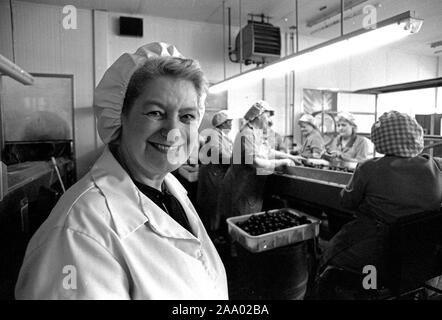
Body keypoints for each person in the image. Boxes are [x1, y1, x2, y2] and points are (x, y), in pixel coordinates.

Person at [15, 42, 228, 300]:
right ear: (119, 117)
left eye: (187, 117)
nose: (173, 132)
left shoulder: (168, 188)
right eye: (155, 113)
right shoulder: (79, 234)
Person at [317, 111, 442, 296]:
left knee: (329, 254)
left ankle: (369, 289)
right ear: (417, 136)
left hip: (377, 252)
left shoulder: (368, 168)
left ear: (379, 139)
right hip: (423, 255)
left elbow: (346, 202)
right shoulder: (437, 165)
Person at [216, 101, 301, 230]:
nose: (270, 120)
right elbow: (256, 162)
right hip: (242, 185)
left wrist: (290, 156)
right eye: (268, 115)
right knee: (242, 223)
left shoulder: (255, 132)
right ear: (259, 115)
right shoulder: (247, 134)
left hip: (251, 185)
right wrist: (281, 163)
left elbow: (267, 151)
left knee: (249, 219)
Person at [196, 110, 233, 236]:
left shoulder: (222, 135)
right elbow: (218, 154)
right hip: (213, 173)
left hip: (218, 173)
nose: (232, 124)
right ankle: (211, 235)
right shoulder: (214, 134)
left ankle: (213, 231)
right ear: (222, 123)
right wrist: (237, 161)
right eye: (229, 121)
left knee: (216, 203)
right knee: (212, 203)